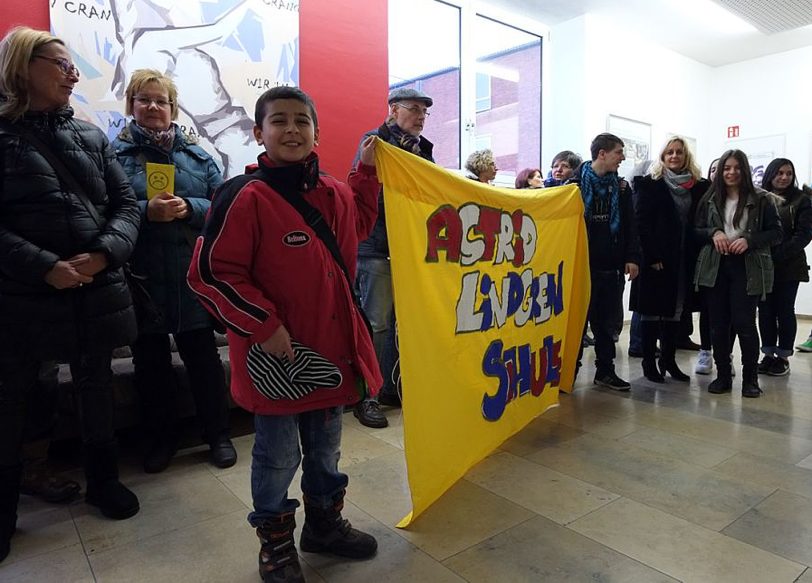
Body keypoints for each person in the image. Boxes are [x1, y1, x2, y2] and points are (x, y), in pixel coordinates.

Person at [187, 86, 381, 583]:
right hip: (277, 358)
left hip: (332, 353)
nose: (291, 129)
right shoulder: (244, 196)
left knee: (325, 449)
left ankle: (323, 526)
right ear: (259, 132)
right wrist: (264, 325)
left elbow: (358, 221)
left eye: (301, 120)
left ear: (316, 131)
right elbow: (211, 273)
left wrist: (368, 170)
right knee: (277, 457)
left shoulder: (335, 191)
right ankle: (274, 546)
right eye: (279, 121)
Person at [0, 27, 141, 563]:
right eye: (60, 63)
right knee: (11, 397)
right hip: (22, 293)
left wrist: (105, 253)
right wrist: (43, 268)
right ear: (21, 64)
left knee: (95, 383)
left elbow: (126, 204)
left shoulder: (92, 135)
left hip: (97, 286)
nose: (73, 72)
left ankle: (104, 482)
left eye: (72, 64)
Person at [112, 69, 236, 473]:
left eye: (160, 100)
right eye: (143, 99)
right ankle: (160, 440)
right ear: (132, 105)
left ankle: (217, 434)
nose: (152, 107)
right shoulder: (112, 156)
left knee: (203, 362)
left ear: (173, 107)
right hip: (140, 278)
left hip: (191, 276)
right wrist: (146, 212)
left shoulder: (198, 156)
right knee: (151, 367)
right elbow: (101, 209)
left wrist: (190, 208)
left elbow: (223, 206)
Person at [353, 88, 435, 428]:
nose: (419, 116)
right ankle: (366, 397)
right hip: (377, 247)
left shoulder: (423, 151)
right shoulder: (374, 143)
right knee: (377, 324)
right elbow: (367, 194)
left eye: (424, 112)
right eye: (413, 109)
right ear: (392, 109)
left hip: (409, 249)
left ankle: (390, 387)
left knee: (400, 323)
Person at [694, 149, 781, 398]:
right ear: (721, 171)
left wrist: (749, 240)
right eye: (726, 168)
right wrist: (713, 233)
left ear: (745, 170)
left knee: (744, 323)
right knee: (718, 326)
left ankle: (750, 380)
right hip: (716, 266)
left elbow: (776, 233)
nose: (731, 172)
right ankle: (723, 376)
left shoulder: (762, 199)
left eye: (737, 168)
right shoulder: (709, 198)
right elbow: (695, 231)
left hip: (748, 266)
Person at [631, 137, 710, 383]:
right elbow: (641, 223)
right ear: (663, 157)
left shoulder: (697, 186)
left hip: (683, 257)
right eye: (669, 152)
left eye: (679, 152)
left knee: (676, 311)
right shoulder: (649, 184)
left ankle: (668, 360)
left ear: (686, 157)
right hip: (656, 258)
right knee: (651, 312)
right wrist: (651, 256)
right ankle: (648, 363)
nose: (674, 156)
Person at [569, 133, 640, 390]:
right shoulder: (573, 185)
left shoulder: (621, 187)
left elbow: (631, 226)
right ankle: (569, 372)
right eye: (618, 152)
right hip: (581, 267)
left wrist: (632, 257)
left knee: (607, 322)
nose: (622, 157)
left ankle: (605, 371)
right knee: (578, 322)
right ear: (602, 153)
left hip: (610, 266)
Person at [757, 159, 812, 376]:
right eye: (779, 173)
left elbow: (804, 234)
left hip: (789, 265)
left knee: (785, 310)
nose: (784, 177)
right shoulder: (760, 197)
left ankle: (783, 357)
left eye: (789, 173)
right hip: (762, 264)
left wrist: (778, 255)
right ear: (770, 174)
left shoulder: (802, 200)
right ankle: (768, 354)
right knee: (765, 311)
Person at [694, 157, 722, 375]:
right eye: (714, 168)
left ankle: (726, 355)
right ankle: (705, 351)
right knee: (707, 309)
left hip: (736, 261)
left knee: (732, 314)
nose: (719, 172)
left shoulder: (749, 197)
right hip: (708, 261)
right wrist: (713, 233)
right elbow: (697, 228)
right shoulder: (704, 197)